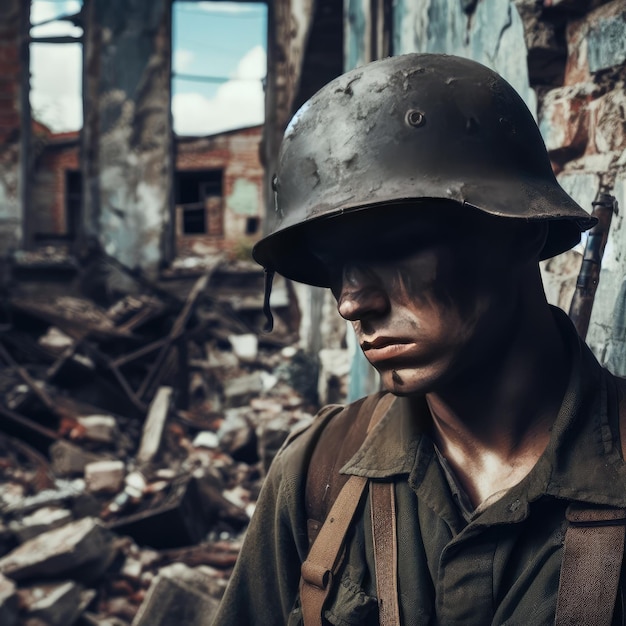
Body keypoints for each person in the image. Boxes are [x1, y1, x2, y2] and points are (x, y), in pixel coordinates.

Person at [213, 53, 626, 625]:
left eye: (394, 244)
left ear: (520, 234)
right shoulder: (317, 472)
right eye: (334, 265)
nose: (352, 301)